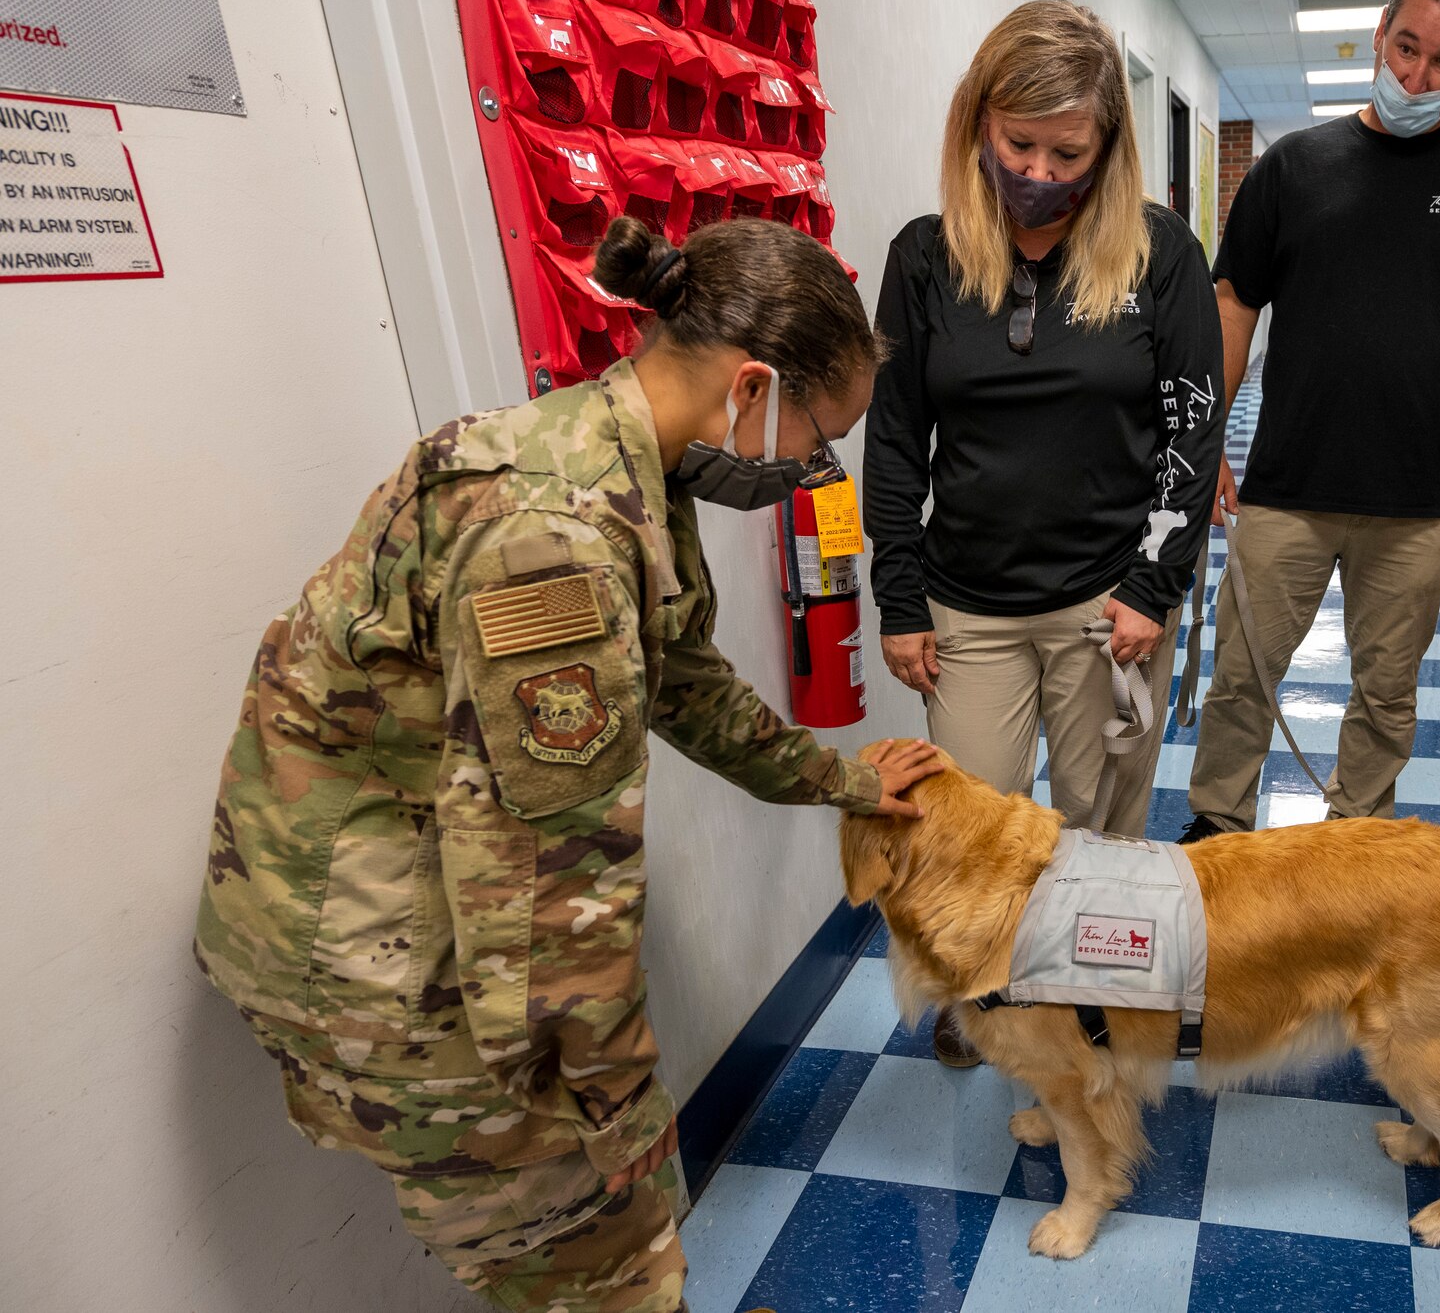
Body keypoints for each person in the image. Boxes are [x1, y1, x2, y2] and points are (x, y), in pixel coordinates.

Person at [194, 215, 943, 1313]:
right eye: (814, 438)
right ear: (750, 389)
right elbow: (547, 881)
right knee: (596, 1250)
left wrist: (838, 780)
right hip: (384, 956)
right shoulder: (556, 534)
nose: (806, 469)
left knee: (609, 1227)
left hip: (416, 901)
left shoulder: (612, 457)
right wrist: (617, 1094)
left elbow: (682, 680)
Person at [863, 0, 1224, 1066]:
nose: (1036, 168)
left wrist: (1152, 587)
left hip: (1101, 605)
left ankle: (1088, 1004)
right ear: (977, 125)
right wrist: (896, 594)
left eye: (1065, 150)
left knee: (1095, 834)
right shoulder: (925, 257)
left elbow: (1188, 433)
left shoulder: (1158, 255)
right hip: (964, 606)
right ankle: (986, 995)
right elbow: (893, 441)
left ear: (1106, 145)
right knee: (967, 834)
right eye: (1016, 143)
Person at [1180, 0, 1440, 841]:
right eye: (1406, 48)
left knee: (1387, 693)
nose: (1418, 74)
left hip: (1418, 494)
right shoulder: (1294, 168)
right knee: (1243, 675)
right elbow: (1235, 301)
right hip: (1287, 482)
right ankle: (1216, 828)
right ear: (1380, 32)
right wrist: (1207, 438)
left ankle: (1357, 839)